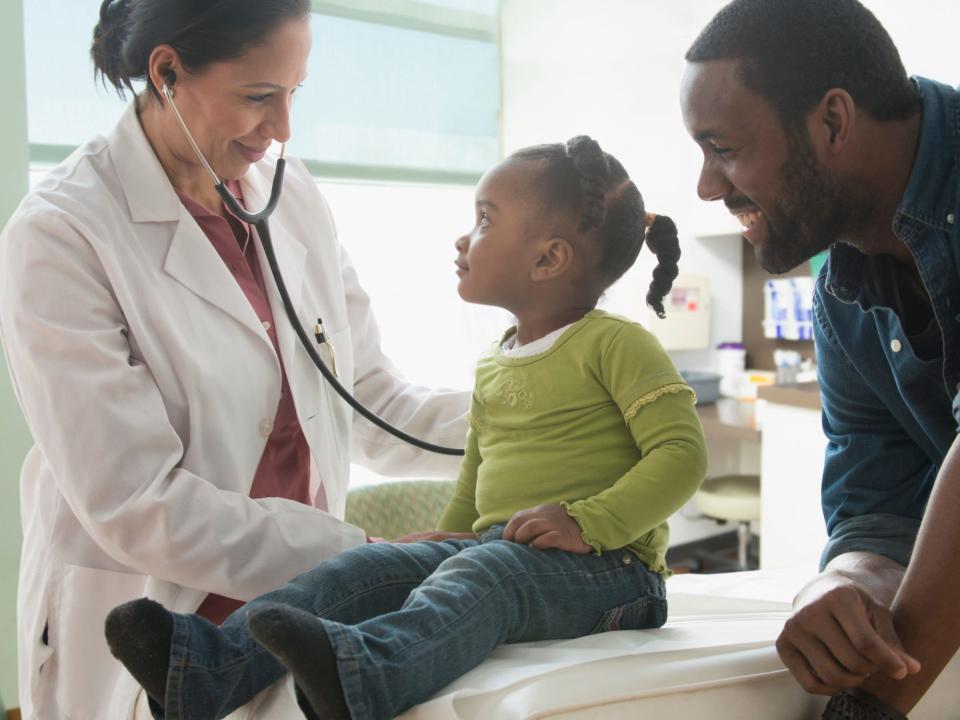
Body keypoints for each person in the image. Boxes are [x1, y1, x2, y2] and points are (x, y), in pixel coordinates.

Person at [103, 135, 708, 720]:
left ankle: (369, 674)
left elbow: (682, 454)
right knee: (365, 569)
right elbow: (480, 468)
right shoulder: (497, 360)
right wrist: (445, 538)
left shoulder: (618, 344)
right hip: (506, 548)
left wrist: (587, 522)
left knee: (487, 574)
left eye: (485, 221)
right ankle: (206, 669)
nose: (464, 238)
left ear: (549, 258)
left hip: (614, 572)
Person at [0, 2, 470, 717]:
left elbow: (374, 403)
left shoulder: (292, 196)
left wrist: (544, 417)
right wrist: (366, 556)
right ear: (166, 72)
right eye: (258, 97)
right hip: (149, 624)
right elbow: (137, 503)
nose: (283, 129)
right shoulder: (63, 233)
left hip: (290, 623)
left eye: (293, 94)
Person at [681, 0, 960, 717]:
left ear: (833, 122)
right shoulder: (840, 293)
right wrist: (848, 582)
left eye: (724, 148)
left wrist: (869, 707)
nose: (707, 186)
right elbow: (877, 500)